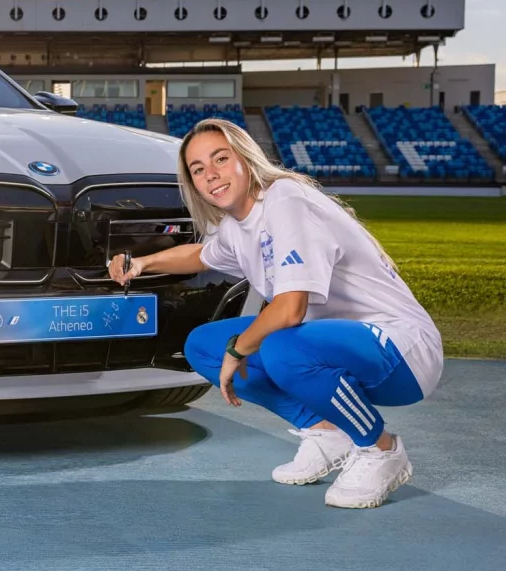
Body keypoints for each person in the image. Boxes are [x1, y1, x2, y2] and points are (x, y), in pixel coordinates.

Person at [108, 118, 443, 509]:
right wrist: (142, 263)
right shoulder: (237, 224)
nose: (210, 174)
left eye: (220, 158)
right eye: (198, 169)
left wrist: (239, 351)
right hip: (327, 343)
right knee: (203, 346)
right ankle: (325, 431)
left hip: (402, 351)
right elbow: (200, 254)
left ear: (246, 159)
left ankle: (381, 449)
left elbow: (289, 310)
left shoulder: (286, 199)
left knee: (281, 346)